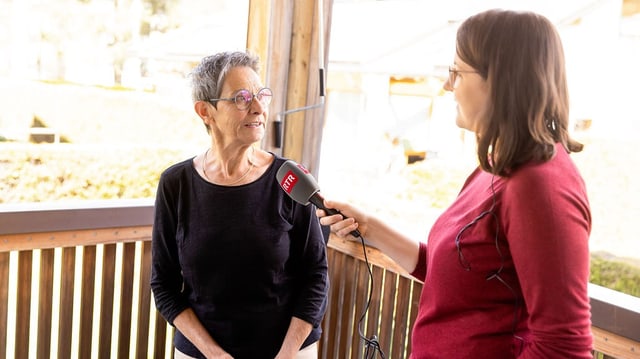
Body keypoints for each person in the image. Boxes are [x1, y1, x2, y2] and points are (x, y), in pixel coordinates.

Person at [317, 9, 592, 358]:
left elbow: (563, 347)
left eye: (457, 72)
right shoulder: (495, 166)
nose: (448, 85)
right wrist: (369, 226)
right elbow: (456, 273)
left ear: (499, 78)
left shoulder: (539, 184)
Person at [151, 51, 329, 359]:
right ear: (205, 111)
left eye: (261, 95)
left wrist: (286, 354)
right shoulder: (175, 184)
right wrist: (214, 354)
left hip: (288, 351)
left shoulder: (288, 178)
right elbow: (164, 285)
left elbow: (316, 275)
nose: (259, 107)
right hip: (202, 353)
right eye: (242, 97)